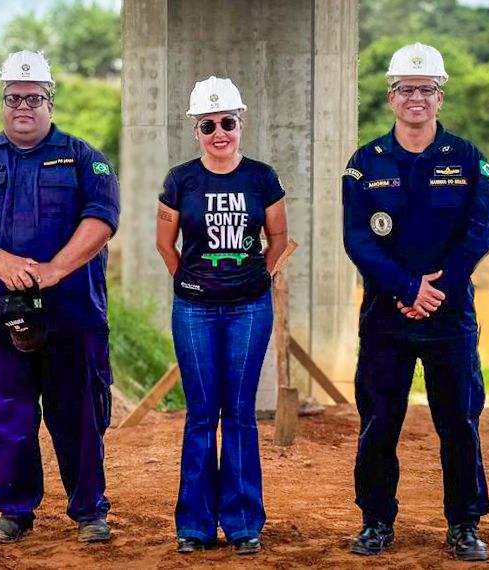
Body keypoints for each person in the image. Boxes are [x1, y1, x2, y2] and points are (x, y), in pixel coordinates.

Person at [0, 50, 120, 544]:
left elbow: (101, 220)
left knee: (77, 416)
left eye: (33, 97)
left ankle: (89, 512)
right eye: (13, 97)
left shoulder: (84, 158)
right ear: (3, 102)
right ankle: (14, 511)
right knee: (6, 419)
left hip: (72, 314)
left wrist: (56, 270)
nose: (23, 106)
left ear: (50, 102)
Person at [341, 42, 489, 562]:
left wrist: (434, 290)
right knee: (380, 422)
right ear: (391, 97)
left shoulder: (469, 160)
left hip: (449, 318)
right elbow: (358, 240)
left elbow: (479, 235)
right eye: (406, 89)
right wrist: (408, 289)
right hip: (387, 318)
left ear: (440, 96)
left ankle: (464, 526)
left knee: (458, 422)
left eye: (426, 89)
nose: (416, 99)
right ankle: (376, 521)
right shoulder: (365, 164)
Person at [156, 76, 289, 556]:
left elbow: (277, 238)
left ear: (241, 124)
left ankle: (241, 522)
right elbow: (164, 244)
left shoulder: (262, 178)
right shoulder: (180, 180)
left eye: (227, 122)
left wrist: (258, 277)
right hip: (194, 310)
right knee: (199, 414)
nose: (219, 132)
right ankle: (193, 525)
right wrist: (189, 280)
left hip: (249, 309)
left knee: (237, 414)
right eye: (208, 124)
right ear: (196, 129)